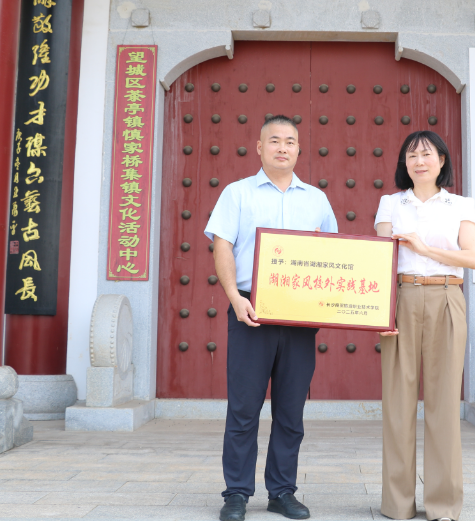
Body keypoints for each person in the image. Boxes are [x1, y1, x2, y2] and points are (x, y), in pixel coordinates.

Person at [205, 115, 338, 521]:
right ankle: (237, 494)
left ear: (300, 149)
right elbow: (222, 246)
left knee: (290, 410)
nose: (283, 147)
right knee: (244, 409)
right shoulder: (237, 193)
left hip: (300, 315)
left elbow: (333, 257)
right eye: (274, 140)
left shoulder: (316, 199)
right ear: (258, 147)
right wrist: (234, 297)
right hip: (251, 309)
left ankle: (282, 491)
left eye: (291, 141)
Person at [374, 130, 475, 521]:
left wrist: (424, 249)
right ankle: (397, 504)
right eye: (412, 155)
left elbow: (471, 258)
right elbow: (381, 261)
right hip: (401, 298)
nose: (420, 161)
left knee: (444, 404)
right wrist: (379, 315)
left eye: (427, 154)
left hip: (447, 297)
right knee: (398, 405)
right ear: (404, 163)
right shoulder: (390, 204)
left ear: (442, 161)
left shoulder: (461, 204)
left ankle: (443, 505)